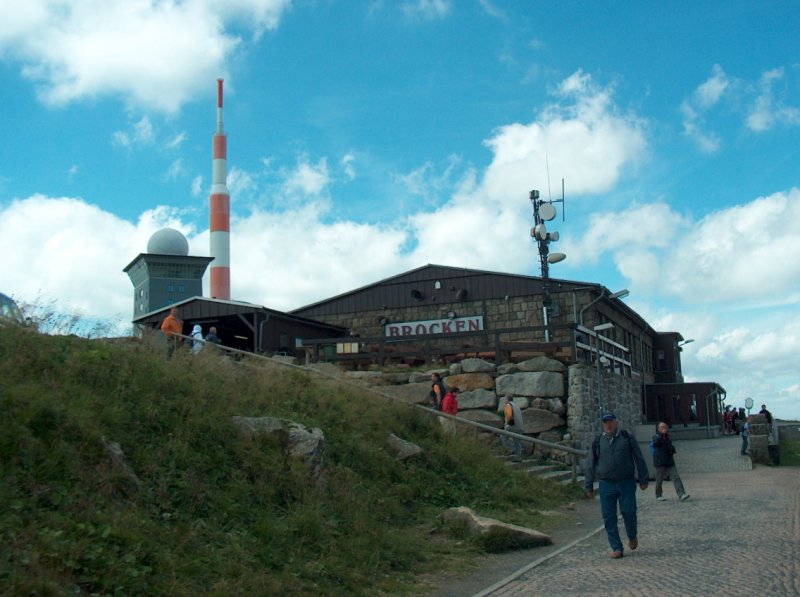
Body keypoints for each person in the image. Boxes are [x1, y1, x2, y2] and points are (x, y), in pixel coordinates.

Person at [584, 411, 649, 559]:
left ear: (616, 423)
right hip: (606, 484)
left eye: (611, 422)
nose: (608, 425)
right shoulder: (597, 442)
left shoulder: (626, 438)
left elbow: (638, 457)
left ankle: (632, 536)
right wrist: (588, 485)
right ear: (603, 424)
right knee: (608, 517)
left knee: (629, 512)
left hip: (626, 482)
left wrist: (643, 478)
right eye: (606, 422)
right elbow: (590, 464)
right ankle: (616, 546)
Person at [652, 422, 690, 502]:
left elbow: (669, 447)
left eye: (665, 427)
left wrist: (672, 449)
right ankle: (658, 495)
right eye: (662, 427)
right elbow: (656, 444)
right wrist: (661, 435)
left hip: (669, 461)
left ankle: (681, 494)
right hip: (660, 461)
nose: (664, 428)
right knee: (659, 479)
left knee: (676, 477)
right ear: (658, 429)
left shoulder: (668, 437)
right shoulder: (656, 436)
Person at [501, 395, 524, 461]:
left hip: (512, 425)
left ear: (508, 399)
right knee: (517, 442)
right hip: (520, 426)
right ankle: (518, 457)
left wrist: (507, 426)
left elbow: (509, 415)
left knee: (503, 436)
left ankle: (511, 448)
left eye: (505, 399)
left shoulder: (508, 405)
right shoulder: (516, 406)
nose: (505, 401)